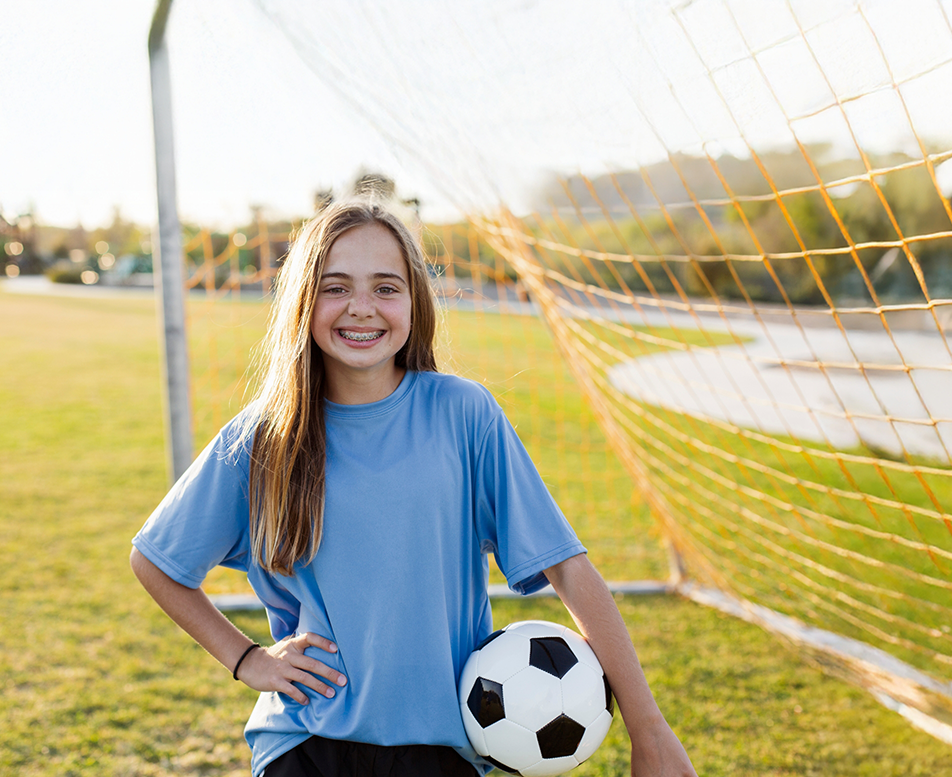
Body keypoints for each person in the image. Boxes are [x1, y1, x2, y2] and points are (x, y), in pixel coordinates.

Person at [130, 200, 697, 777]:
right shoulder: (265, 435)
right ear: (304, 300)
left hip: (440, 745)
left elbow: (569, 569)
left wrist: (647, 728)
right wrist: (247, 659)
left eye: (385, 287)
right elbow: (157, 561)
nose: (361, 308)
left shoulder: (463, 414)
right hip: (303, 739)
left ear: (414, 302)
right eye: (335, 287)